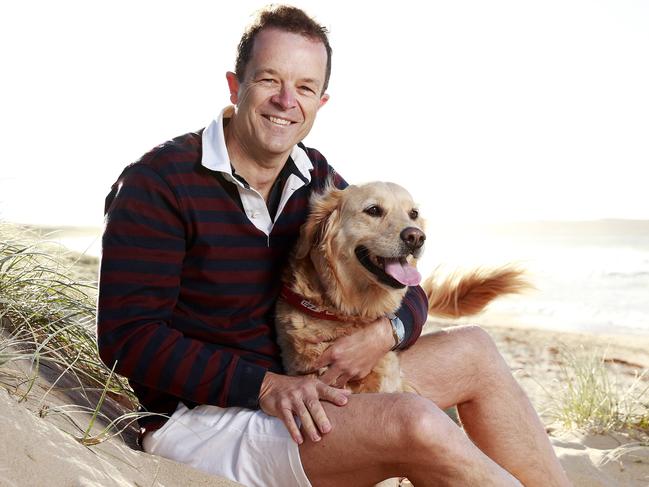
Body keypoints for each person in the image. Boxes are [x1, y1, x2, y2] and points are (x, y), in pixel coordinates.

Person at [97, 5, 571, 487]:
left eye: (304, 87)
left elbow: (404, 284)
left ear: (319, 103)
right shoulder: (159, 184)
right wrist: (262, 386)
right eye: (269, 80)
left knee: (475, 350)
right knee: (413, 420)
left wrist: (383, 334)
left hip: (310, 385)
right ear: (235, 86)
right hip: (206, 421)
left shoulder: (316, 178)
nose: (286, 100)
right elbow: (127, 338)